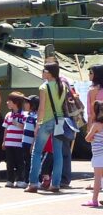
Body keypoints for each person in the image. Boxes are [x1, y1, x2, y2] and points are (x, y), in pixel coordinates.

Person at [26, 62, 67, 193]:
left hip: (46, 121)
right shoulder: (63, 85)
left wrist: (38, 124)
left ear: (49, 72)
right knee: (58, 154)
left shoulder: (44, 87)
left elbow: (42, 108)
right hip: (59, 121)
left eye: (44, 70)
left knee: (37, 152)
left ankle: (33, 184)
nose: (42, 73)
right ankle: (55, 184)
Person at [1, 92, 27, 187]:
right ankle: (10, 180)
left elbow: (26, 127)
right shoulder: (8, 115)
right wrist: (4, 141)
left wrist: (17, 124)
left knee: (20, 162)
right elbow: (6, 129)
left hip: (19, 143)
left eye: (9, 101)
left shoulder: (24, 115)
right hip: (9, 143)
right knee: (9, 162)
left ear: (15, 102)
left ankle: (20, 179)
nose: (7, 102)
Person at [83, 100, 103, 207]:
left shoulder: (96, 125)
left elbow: (87, 138)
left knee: (97, 179)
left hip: (98, 155)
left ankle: (94, 200)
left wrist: (92, 139)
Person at [20, 95, 38, 187]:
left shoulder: (36, 117)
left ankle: (35, 181)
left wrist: (33, 144)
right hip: (25, 143)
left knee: (32, 163)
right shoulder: (28, 115)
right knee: (26, 162)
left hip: (31, 144)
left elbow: (36, 132)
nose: (25, 104)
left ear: (33, 105)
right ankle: (26, 180)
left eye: (27, 102)